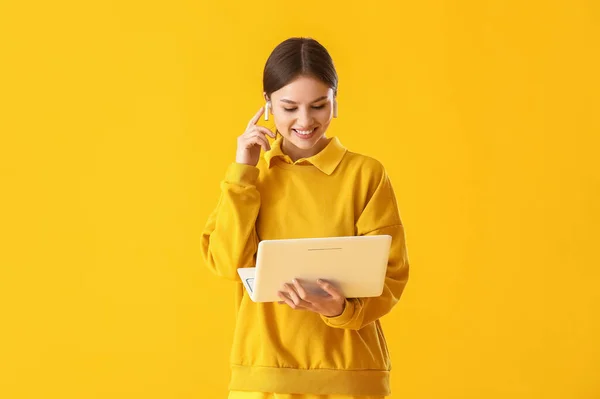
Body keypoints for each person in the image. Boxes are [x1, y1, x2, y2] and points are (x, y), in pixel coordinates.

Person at [200, 37, 410, 399]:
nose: (305, 120)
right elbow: (226, 262)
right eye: (289, 107)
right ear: (267, 104)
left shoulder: (366, 174)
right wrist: (242, 171)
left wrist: (341, 308)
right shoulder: (250, 177)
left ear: (335, 100)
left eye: (318, 105)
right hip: (264, 379)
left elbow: (391, 276)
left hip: (350, 378)